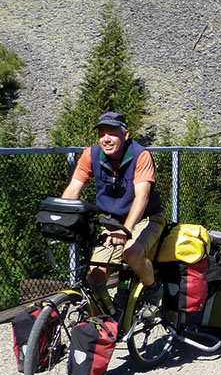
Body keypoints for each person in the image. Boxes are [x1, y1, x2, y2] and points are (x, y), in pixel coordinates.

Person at [61, 111, 166, 312]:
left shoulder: (140, 155)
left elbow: (141, 198)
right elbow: (74, 189)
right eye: (101, 134)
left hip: (146, 218)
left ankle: (154, 288)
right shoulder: (90, 155)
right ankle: (104, 321)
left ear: (125, 134)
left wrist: (125, 230)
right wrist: (61, 218)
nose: (106, 139)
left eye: (112, 133)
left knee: (132, 253)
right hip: (110, 221)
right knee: (95, 277)